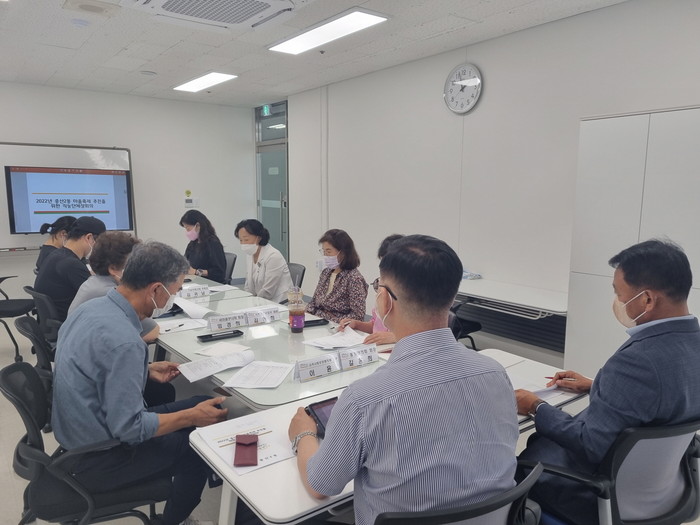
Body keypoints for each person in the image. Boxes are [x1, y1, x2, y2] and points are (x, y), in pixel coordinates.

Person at [289, 235, 519, 525]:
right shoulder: (495, 373)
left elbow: (320, 486)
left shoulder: (365, 398)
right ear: (451, 297)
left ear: (385, 299)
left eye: (377, 286)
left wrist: (303, 434)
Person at [516, 239, 700, 525]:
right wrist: (598, 384)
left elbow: (589, 444)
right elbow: (667, 397)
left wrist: (535, 406)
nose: (617, 301)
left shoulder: (638, 360)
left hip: (601, 495)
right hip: (666, 488)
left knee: (519, 463)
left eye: (619, 293)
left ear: (647, 300)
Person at [52, 241, 228, 525]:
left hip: (80, 429)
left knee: (201, 403)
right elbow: (131, 429)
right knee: (197, 449)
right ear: (156, 290)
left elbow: (92, 366)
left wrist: (142, 371)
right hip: (99, 454)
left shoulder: (92, 309)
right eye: (175, 291)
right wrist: (190, 418)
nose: (174, 297)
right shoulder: (125, 341)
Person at [34, 215, 106, 321]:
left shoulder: (57, 255)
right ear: (89, 237)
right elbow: (99, 295)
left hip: (56, 320)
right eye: (99, 243)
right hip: (70, 322)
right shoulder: (71, 264)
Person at [339, 234, 403, 344]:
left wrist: (396, 337)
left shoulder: (414, 296)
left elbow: (426, 335)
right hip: (377, 349)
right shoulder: (383, 289)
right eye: (383, 263)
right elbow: (375, 325)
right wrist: (356, 324)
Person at [305, 229, 368, 323]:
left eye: (329, 252)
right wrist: (305, 313)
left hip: (338, 326)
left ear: (343, 252)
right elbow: (314, 302)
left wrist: (330, 319)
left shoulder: (354, 278)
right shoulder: (326, 273)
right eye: (324, 251)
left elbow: (358, 316)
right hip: (318, 321)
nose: (325, 256)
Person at [234, 218, 293, 303]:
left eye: (246, 240)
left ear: (258, 238)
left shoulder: (273, 256)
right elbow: (248, 285)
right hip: (260, 301)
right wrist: (247, 300)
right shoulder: (250, 254)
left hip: (279, 303)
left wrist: (253, 303)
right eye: (240, 240)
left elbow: (268, 292)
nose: (243, 243)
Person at [180, 210, 226, 284]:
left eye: (188, 229)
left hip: (211, 284)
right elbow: (185, 261)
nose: (187, 232)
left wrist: (196, 272)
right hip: (195, 282)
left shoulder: (213, 243)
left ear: (198, 225)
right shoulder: (193, 243)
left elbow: (219, 272)